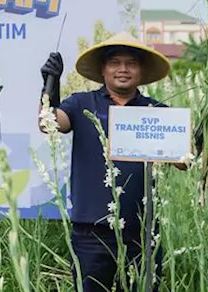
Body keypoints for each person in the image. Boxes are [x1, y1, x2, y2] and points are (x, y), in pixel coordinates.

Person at [39, 32, 179, 292]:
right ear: (103, 69)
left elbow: (183, 161)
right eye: (115, 62)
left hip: (143, 233)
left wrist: (206, 129)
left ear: (141, 70)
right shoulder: (81, 103)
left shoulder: (157, 112)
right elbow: (49, 124)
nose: (123, 69)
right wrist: (50, 86)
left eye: (131, 63)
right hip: (91, 234)